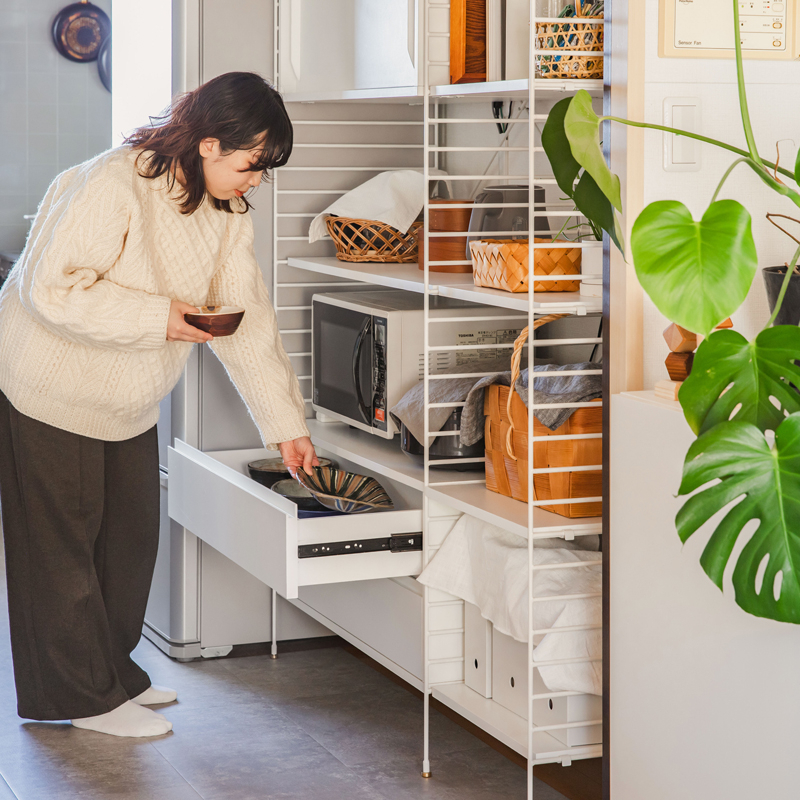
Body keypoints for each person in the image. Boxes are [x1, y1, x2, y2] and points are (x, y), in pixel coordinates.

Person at [0, 72, 318, 738]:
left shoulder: (226, 211)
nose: (257, 180)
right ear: (209, 144)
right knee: (60, 552)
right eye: (251, 164)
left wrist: (285, 426)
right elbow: (49, 291)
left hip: (128, 398)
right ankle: (83, 699)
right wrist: (161, 318)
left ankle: (110, 677)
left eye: (266, 169)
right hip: (47, 387)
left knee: (128, 545)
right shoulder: (113, 183)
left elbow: (248, 322)